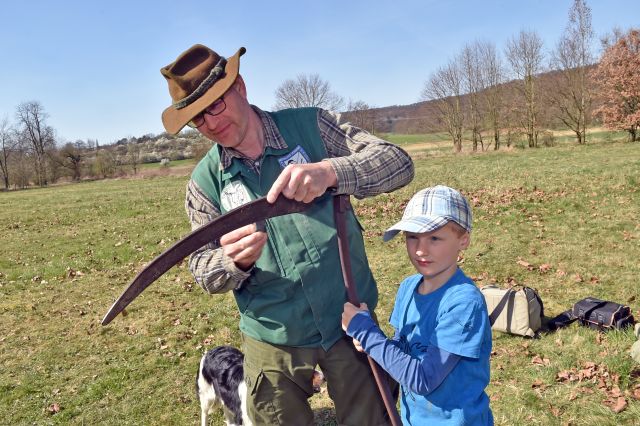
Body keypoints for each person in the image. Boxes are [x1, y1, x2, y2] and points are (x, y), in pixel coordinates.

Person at [159, 44, 414, 425]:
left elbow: (399, 164)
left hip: (349, 320)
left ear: (239, 87)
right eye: (197, 118)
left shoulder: (311, 126)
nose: (210, 124)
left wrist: (331, 172)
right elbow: (203, 270)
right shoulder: (204, 184)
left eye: (215, 105)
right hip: (272, 337)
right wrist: (232, 261)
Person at [342, 185, 493, 425]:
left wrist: (367, 333)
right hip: (415, 417)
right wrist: (372, 341)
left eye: (434, 238)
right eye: (412, 237)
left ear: (463, 240)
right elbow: (405, 350)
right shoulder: (408, 287)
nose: (420, 250)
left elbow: (423, 378)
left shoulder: (464, 303)